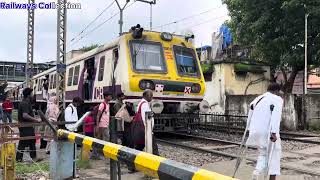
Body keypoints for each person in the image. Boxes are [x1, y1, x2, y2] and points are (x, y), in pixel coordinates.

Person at [246, 83, 283, 180]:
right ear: (277, 91)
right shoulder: (277, 99)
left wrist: (248, 129)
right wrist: (274, 133)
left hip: (255, 132)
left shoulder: (258, 98)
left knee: (262, 154)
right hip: (268, 133)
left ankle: (257, 172)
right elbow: (276, 116)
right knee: (274, 155)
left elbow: (250, 111)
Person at [16, 88, 41, 162]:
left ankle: (33, 157)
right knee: (23, 142)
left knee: (31, 141)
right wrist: (36, 120)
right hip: (25, 126)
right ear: (28, 95)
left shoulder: (26, 102)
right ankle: (19, 159)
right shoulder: (25, 103)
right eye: (31, 94)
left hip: (27, 126)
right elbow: (25, 115)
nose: (32, 96)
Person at [133, 89, 158, 154]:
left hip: (141, 129)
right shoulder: (144, 104)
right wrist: (149, 130)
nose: (152, 97)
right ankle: (156, 161)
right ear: (145, 96)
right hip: (146, 130)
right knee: (153, 147)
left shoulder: (141, 103)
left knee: (139, 147)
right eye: (151, 96)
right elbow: (145, 118)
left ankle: (134, 159)